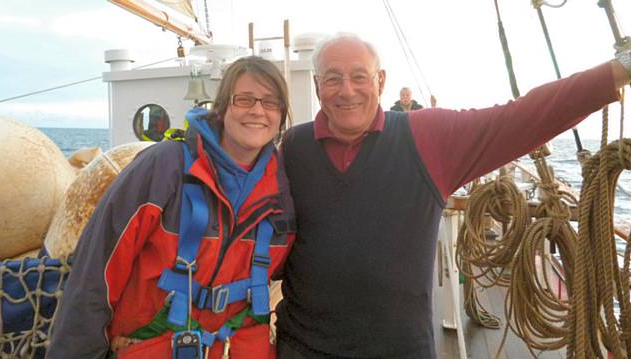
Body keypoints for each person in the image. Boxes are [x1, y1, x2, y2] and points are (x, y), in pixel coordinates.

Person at [276, 33, 631, 358]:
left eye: (359, 77)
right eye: (333, 78)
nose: (347, 91)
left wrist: (617, 72)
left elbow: (521, 118)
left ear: (380, 81)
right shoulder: (292, 146)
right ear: (317, 84)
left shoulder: (426, 137)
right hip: (303, 345)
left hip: (397, 348)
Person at [47, 56, 296, 359]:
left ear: (281, 115)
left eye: (270, 102)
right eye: (244, 99)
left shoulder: (284, 190)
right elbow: (96, 269)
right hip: (152, 344)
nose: (257, 110)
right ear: (222, 108)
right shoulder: (164, 167)